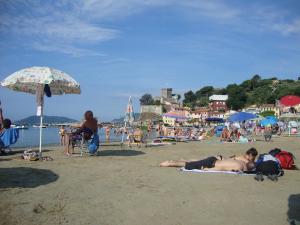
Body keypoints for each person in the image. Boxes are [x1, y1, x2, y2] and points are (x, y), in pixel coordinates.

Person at [160, 148, 258, 172]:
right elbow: (222, 168)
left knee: (194, 162)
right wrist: (209, 170)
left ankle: (173, 162)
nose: (253, 159)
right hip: (211, 163)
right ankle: (169, 163)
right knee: (187, 165)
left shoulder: (239, 162)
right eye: (253, 158)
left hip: (214, 160)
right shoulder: (240, 165)